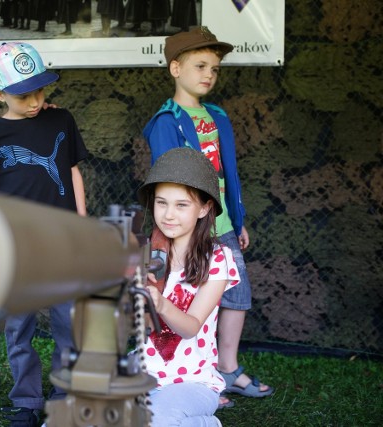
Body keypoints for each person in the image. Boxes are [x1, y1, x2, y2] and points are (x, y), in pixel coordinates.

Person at [143, 26, 274, 409]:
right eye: (200, 66)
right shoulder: (166, 121)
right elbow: (170, 181)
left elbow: (228, 174)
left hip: (221, 222)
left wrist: (238, 217)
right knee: (183, 295)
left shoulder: (217, 116)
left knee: (237, 293)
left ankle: (227, 369)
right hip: (187, 226)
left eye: (214, 69)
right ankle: (194, 375)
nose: (209, 75)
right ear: (175, 68)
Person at [0, 41, 88, 427]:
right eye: (23, 94)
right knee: (20, 327)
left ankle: (65, 393)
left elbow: (72, 171)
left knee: (69, 322)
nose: (35, 100)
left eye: (40, 89)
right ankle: (28, 401)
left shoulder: (60, 120)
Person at [138, 147, 239, 426]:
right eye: (161, 203)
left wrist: (160, 303)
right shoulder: (146, 255)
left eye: (181, 205)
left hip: (192, 383)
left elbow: (190, 326)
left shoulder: (218, 259)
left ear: (204, 208)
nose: (169, 215)